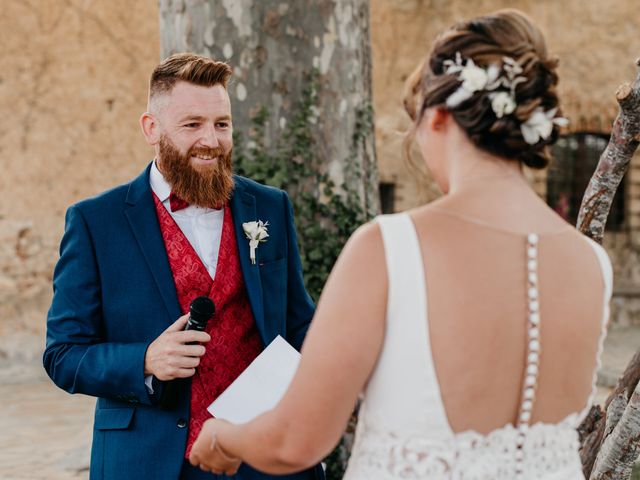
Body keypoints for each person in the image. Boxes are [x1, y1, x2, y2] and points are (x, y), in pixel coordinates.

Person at [188, 9, 612, 480]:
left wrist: (223, 437)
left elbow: (295, 442)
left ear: (438, 118)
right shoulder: (592, 262)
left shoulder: (389, 247)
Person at [43, 53, 324, 480]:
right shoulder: (94, 222)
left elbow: (300, 325)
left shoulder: (269, 206)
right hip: (149, 460)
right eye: (192, 124)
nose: (211, 139)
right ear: (151, 128)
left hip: (263, 453)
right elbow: (63, 354)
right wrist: (144, 360)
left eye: (222, 124)